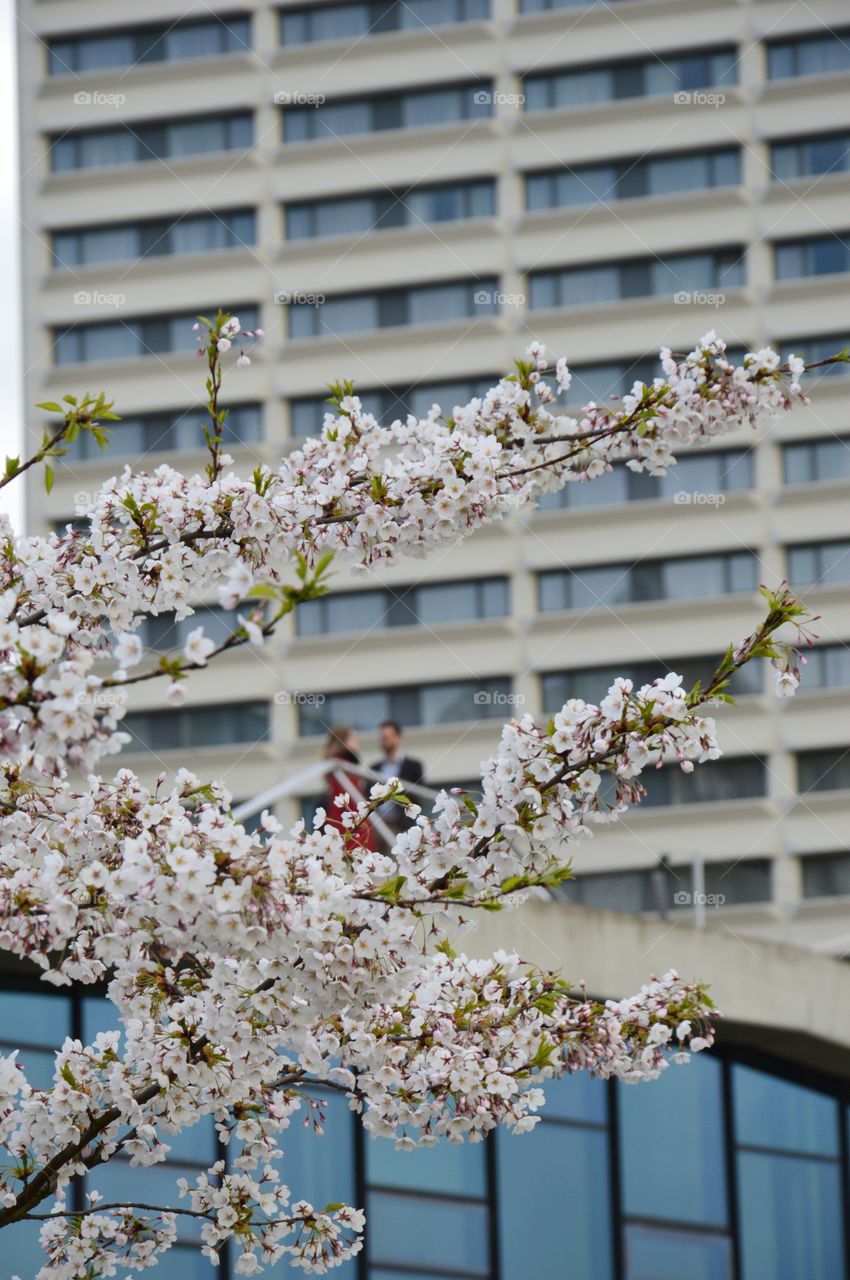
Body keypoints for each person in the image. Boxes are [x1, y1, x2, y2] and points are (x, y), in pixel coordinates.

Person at [322, 724, 375, 851]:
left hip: (345, 825)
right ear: (343, 741)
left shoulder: (341, 765)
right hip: (349, 828)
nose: (357, 742)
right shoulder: (341, 766)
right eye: (353, 739)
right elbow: (351, 800)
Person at [371, 720, 425, 837]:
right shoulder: (374, 768)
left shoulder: (414, 766)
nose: (384, 741)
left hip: (404, 826)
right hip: (380, 828)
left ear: (398, 738)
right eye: (382, 737)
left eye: (387, 737)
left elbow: (418, 795)